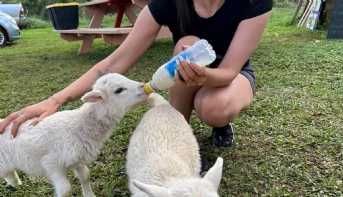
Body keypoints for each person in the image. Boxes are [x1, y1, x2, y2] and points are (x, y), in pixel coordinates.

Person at [0, 0, 272, 148]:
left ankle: (219, 124)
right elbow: (112, 63)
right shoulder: (167, 4)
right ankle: (179, 134)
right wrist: (55, 100)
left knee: (213, 108)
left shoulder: (253, 3)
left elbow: (228, 71)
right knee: (185, 44)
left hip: (229, 76)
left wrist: (205, 77)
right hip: (185, 71)